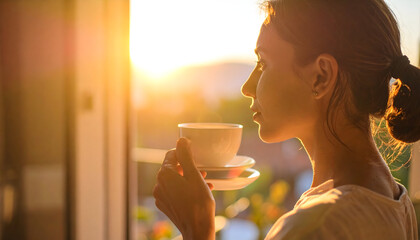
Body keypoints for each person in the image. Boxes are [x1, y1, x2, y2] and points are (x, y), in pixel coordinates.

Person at [153, 0, 420, 239]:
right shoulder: (394, 200)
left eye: (263, 63)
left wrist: (197, 229)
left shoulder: (316, 227)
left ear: (321, 76)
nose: (247, 87)